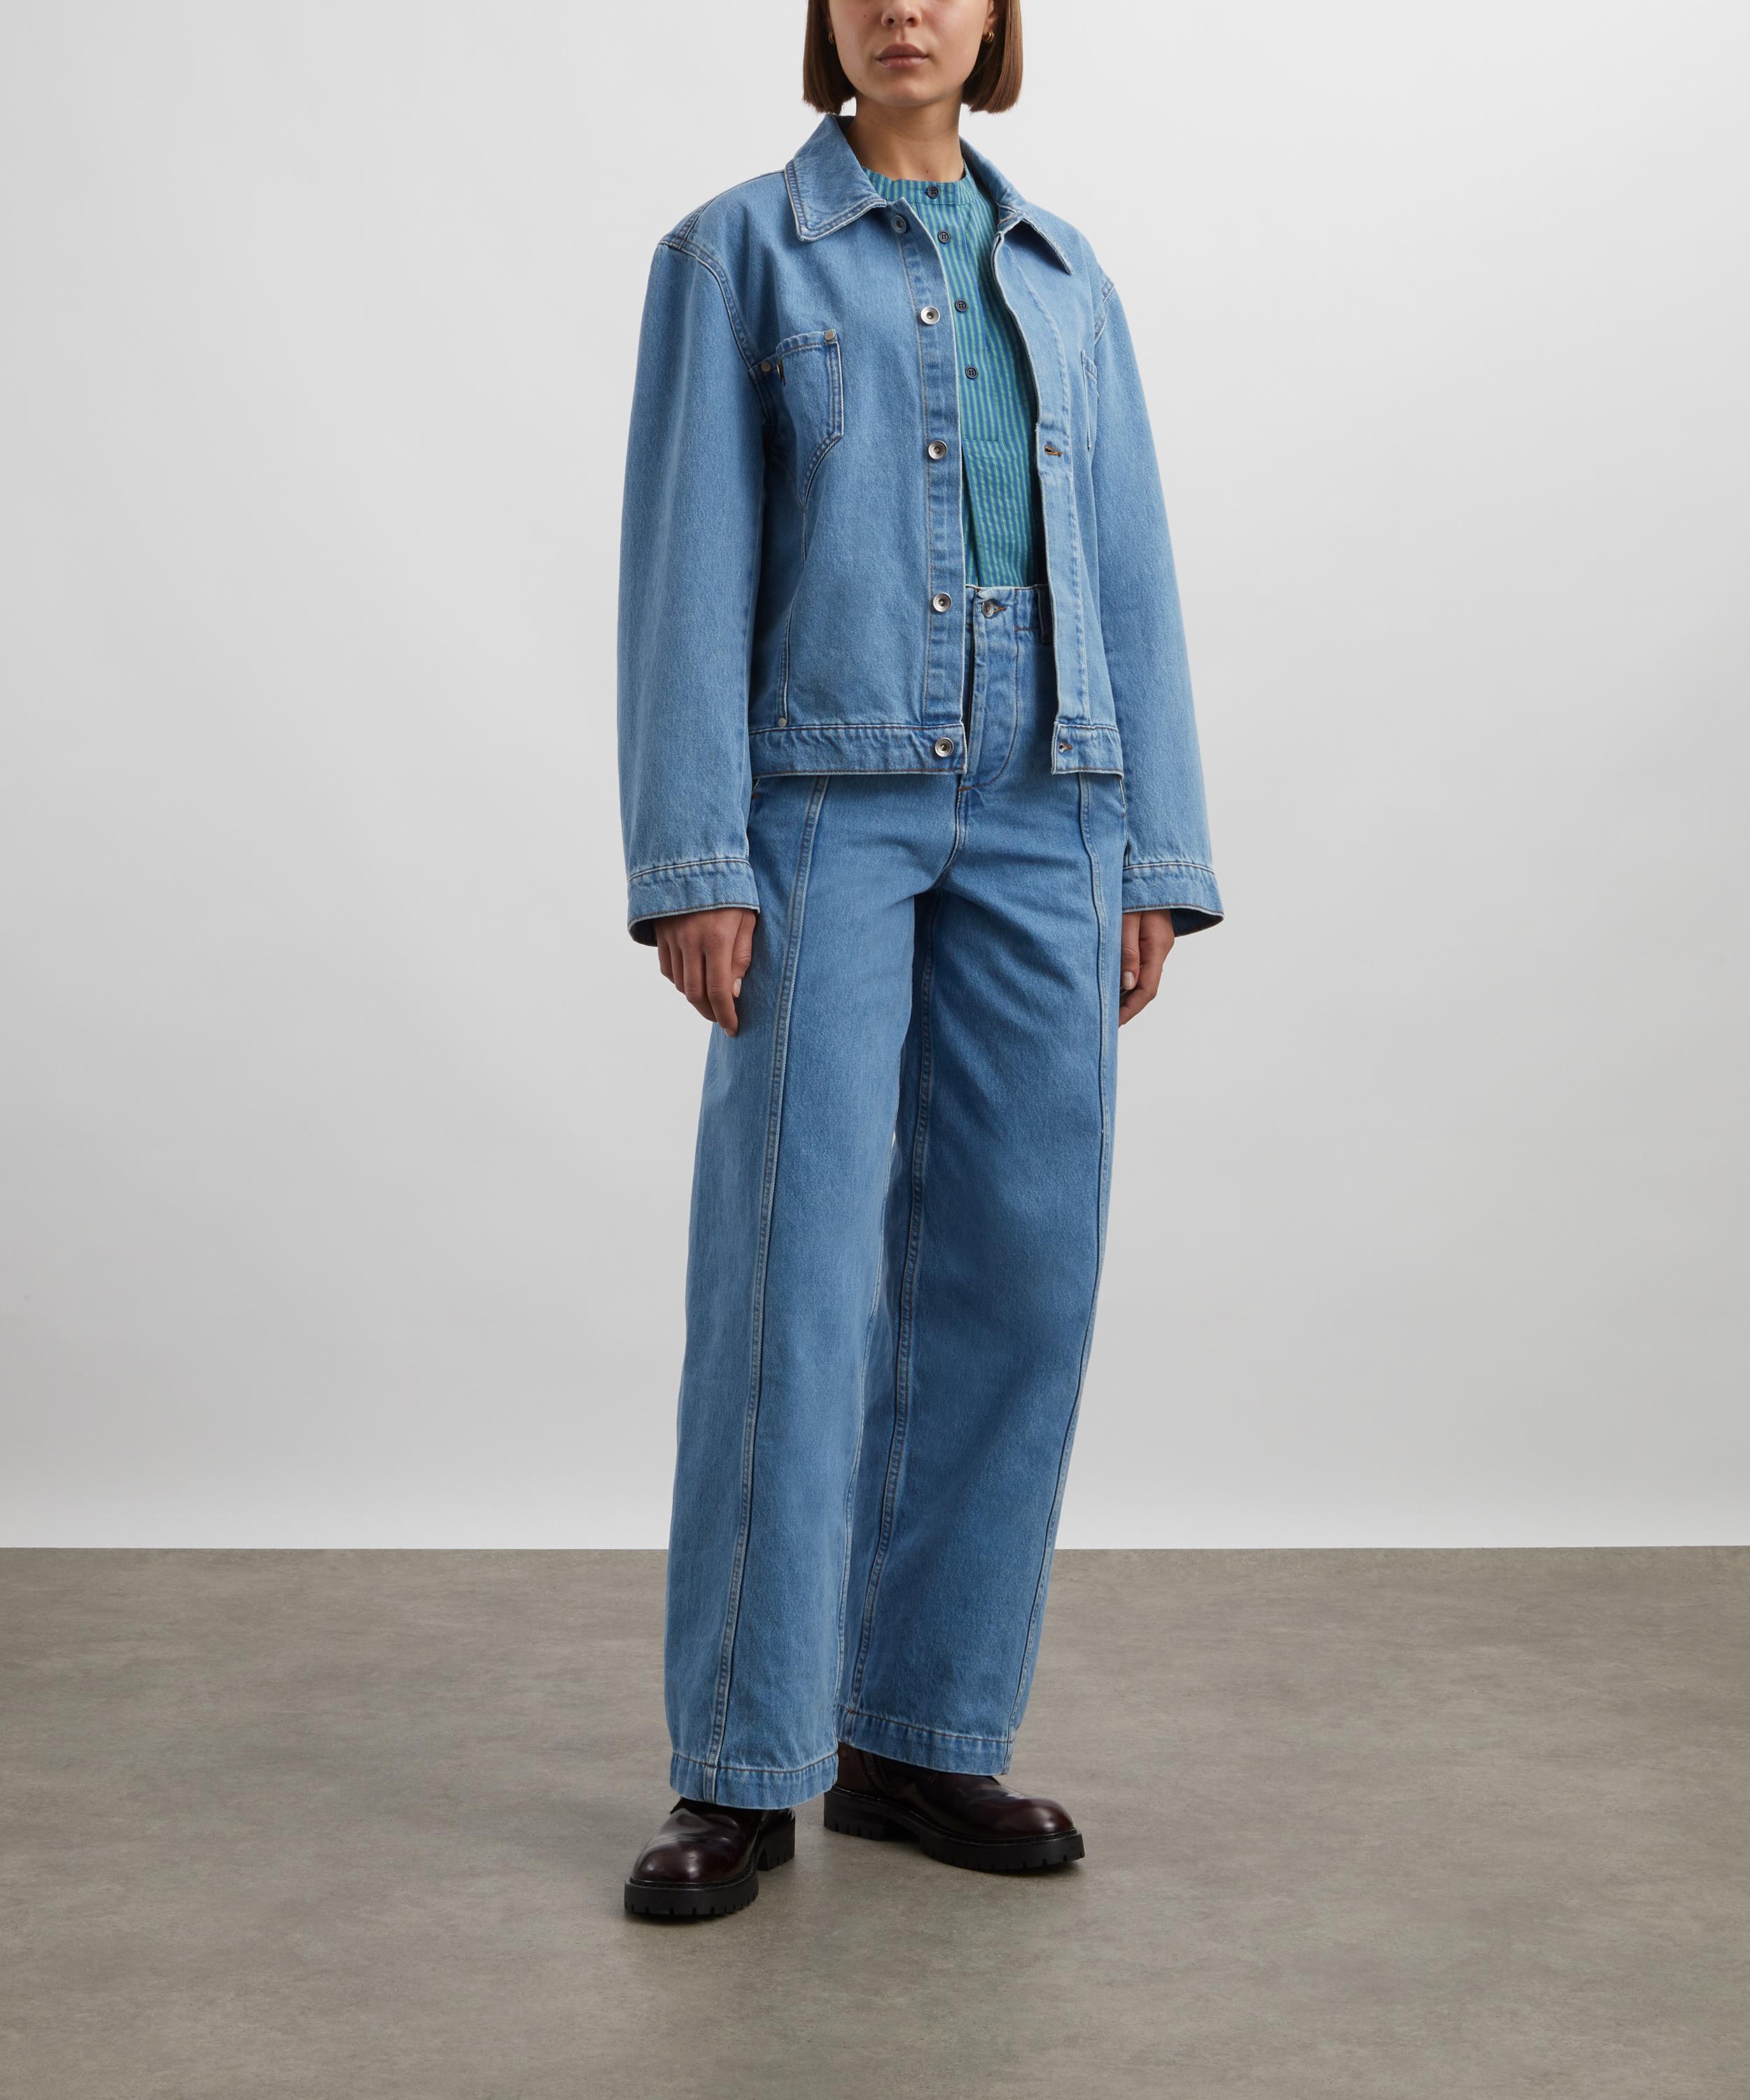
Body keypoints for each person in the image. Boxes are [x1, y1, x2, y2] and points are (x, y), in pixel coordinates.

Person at [616, 0, 1222, 1920]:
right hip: (825, 801)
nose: (904, 9)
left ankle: (918, 1732)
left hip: (1054, 802)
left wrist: (1153, 846)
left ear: (992, 20)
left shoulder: (1063, 269)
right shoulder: (734, 253)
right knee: (792, 1279)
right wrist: (695, 855)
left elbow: (1130, 559)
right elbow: (687, 562)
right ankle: (741, 1767)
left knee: (1022, 1271)